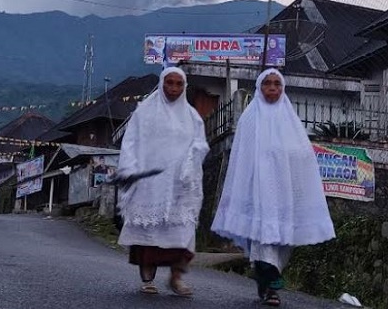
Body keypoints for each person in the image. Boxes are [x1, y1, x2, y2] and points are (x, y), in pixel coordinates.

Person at [211, 68, 335, 307]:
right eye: (267, 83)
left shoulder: (291, 121)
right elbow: (242, 159)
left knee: (282, 242)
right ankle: (271, 286)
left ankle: (264, 277)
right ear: (259, 87)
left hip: (283, 193)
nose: (272, 88)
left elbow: (302, 157)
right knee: (263, 237)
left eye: (277, 83)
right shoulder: (249, 118)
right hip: (258, 192)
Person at [115, 67, 210, 297]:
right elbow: (130, 143)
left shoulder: (192, 117)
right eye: (170, 83)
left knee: (182, 233)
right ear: (161, 83)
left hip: (180, 185)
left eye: (179, 84)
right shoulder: (144, 113)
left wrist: (192, 159)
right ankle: (148, 277)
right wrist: (130, 171)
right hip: (150, 185)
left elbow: (201, 144)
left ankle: (176, 278)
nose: (174, 88)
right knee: (149, 235)